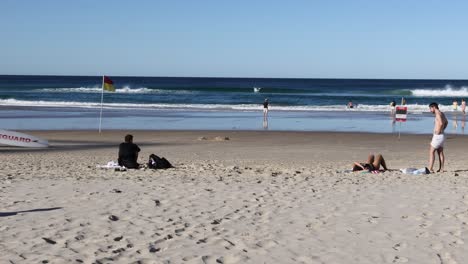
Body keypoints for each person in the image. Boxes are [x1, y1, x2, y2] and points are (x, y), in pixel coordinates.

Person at [428, 102, 448, 173]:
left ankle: (430, 169)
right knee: (440, 152)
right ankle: (441, 169)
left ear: (433, 107)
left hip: (438, 136)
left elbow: (441, 123)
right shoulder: (442, 113)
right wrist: (442, 130)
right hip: (442, 135)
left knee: (431, 152)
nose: (430, 110)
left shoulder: (437, 114)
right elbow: (446, 122)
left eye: (430, 109)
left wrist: (438, 131)